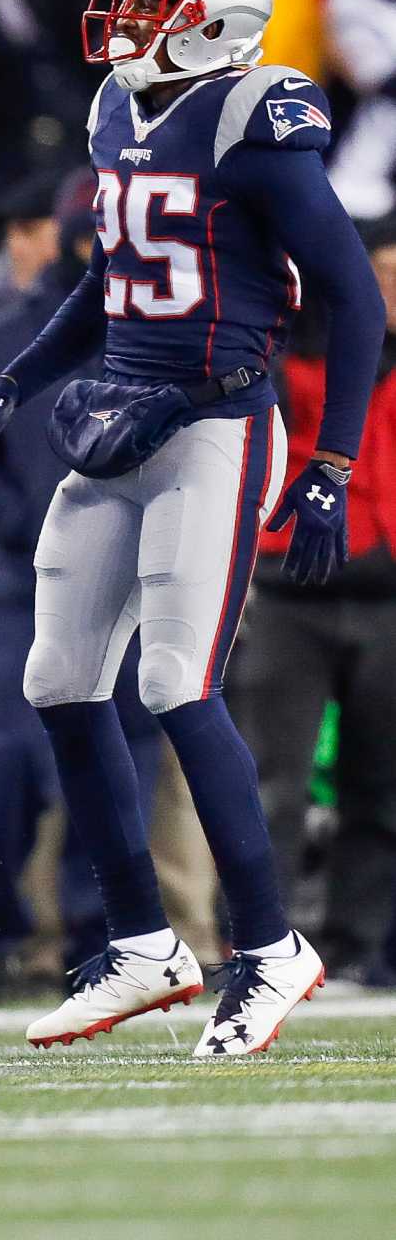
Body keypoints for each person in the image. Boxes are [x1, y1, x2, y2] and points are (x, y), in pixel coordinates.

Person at [0, 0, 384, 1058]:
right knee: (58, 677)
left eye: (151, 3)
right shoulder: (114, 107)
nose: (128, 21)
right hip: (121, 414)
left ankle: (270, 948)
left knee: (175, 680)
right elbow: (113, 277)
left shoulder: (258, 117)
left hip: (220, 426)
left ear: (217, 23)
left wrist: (332, 464)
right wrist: (15, 373)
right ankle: (144, 945)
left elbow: (354, 295)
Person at [0, 180, 160, 998]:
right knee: (15, 765)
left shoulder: (146, 340)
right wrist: (32, 529)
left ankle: (111, 937)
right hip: (24, 588)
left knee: (124, 767)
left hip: (133, 587)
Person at [237, 215, 396, 980]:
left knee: (381, 788)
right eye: (383, 272)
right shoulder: (285, 348)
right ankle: (263, 945)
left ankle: (358, 946)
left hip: (389, 596)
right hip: (288, 589)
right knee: (275, 783)